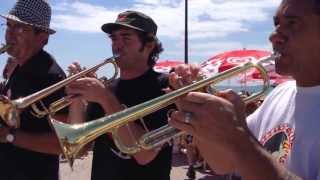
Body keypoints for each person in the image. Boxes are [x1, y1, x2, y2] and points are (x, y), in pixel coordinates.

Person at [168, 0, 320, 179]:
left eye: (292, 23)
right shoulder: (280, 93)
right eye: (277, 24)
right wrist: (197, 108)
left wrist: (238, 137)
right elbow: (222, 163)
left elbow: (241, 146)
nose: (273, 36)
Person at [67, 10, 172, 180]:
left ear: (149, 45)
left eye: (126, 38)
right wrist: (76, 96)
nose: (117, 44)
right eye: (114, 38)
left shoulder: (166, 87)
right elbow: (78, 147)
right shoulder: (107, 87)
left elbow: (145, 154)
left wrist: (106, 99)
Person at [0, 0, 67, 179]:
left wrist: (10, 136)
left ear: (42, 37)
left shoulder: (51, 77)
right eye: (8, 25)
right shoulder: (20, 68)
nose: (9, 35)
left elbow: (62, 144)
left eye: (21, 28)